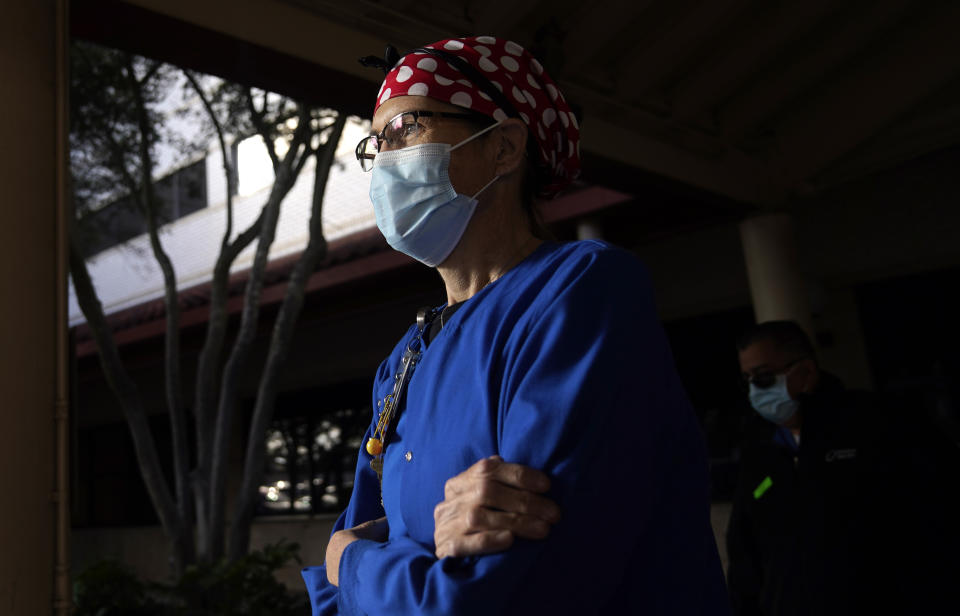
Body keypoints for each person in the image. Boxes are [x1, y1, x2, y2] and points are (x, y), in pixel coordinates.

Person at [301, 36, 729, 615]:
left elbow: (517, 588)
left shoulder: (580, 289)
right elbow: (336, 602)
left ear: (503, 148)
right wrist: (407, 549)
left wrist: (354, 561)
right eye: (375, 145)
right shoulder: (403, 361)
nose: (384, 161)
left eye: (406, 129)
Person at [726, 320, 902, 615]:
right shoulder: (760, 452)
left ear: (806, 372)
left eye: (765, 377)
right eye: (747, 380)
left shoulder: (875, 426)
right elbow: (745, 556)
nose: (755, 390)